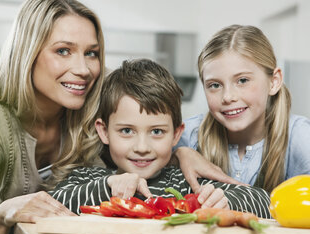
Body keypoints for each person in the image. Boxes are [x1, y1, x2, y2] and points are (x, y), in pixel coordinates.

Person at [0, 0, 106, 234]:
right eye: (63, 50)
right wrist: (2, 216)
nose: (84, 69)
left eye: (91, 53)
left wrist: (182, 152)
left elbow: (154, 132)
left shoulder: (94, 108)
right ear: (27, 53)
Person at [49, 59, 272, 219]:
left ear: (176, 134)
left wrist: (224, 201)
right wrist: (107, 186)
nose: (142, 147)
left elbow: (267, 202)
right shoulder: (89, 177)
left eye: (156, 132)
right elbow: (50, 203)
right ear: (104, 131)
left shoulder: (185, 183)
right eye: (127, 131)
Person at [175, 24, 310, 193]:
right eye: (215, 85)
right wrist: (178, 154)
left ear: (274, 82)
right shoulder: (187, 136)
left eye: (243, 81)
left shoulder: (300, 137)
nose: (228, 96)